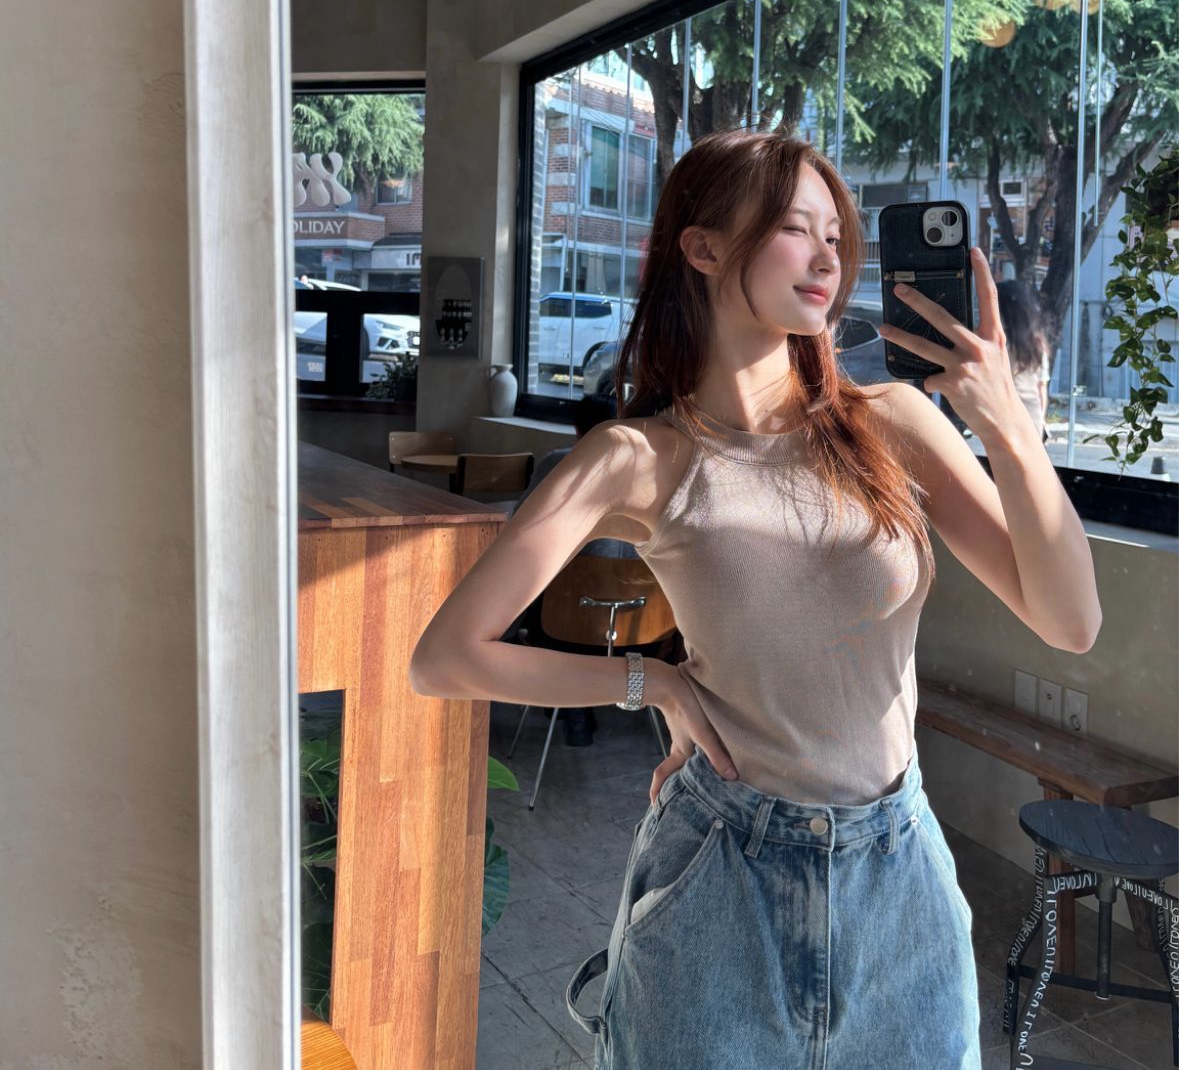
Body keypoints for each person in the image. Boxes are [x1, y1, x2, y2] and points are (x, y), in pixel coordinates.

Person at [409, 129, 1100, 1069]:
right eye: (792, 228)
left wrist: (1006, 426)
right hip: (720, 872)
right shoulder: (637, 457)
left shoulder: (890, 424)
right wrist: (650, 684)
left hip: (898, 876)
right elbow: (445, 656)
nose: (827, 257)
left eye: (835, 235)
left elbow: (1070, 622)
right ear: (701, 247)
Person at [511, 393, 640, 746]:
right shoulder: (647, 475)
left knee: (539, 594)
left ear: (577, 427)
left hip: (562, 621)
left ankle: (568, 702)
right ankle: (573, 702)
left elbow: (517, 524)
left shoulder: (559, 463)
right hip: (639, 627)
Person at [997, 278, 1052, 443]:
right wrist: (1041, 421)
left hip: (1008, 415)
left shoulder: (1001, 345)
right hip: (1032, 415)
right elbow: (1041, 388)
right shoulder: (1037, 342)